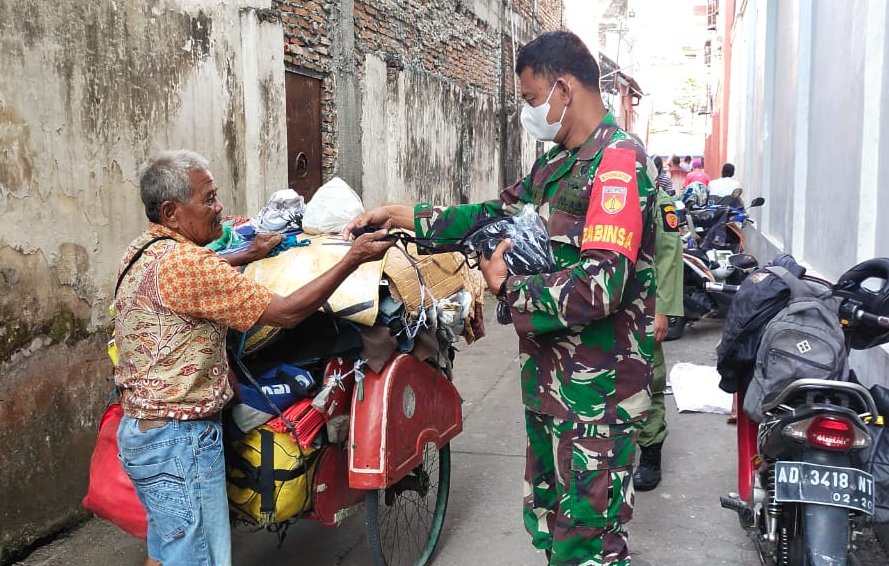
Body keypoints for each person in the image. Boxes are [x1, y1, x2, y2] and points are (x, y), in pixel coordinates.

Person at [345, 30, 657, 566]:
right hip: (551, 386)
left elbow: (600, 285)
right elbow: (496, 214)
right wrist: (407, 216)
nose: (530, 112)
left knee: (589, 544)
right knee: (553, 527)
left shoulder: (617, 165)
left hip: (597, 398)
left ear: (563, 89)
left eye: (533, 99)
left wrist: (510, 288)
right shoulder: (558, 164)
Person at [113, 150, 394, 566]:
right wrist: (352, 260)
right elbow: (287, 312)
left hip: (142, 433)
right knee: (199, 558)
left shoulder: (144, 250)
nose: (219, 207)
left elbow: (194, 277)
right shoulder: (190, 264)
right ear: (172, 211)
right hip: (180, 441)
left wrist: (245, 255)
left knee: (169, 549)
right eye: (208, 199)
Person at [635, 190, 684, 492]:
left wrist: (662, 308)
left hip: (644, 302)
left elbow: (668, 252)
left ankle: (651, 453)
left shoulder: (658, 197)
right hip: (604, 299)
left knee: (649, 377)